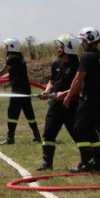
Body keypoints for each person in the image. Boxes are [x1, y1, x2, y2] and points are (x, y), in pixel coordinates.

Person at [61, 27, 100, 173]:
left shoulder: (87, 57)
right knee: (89, 130)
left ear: (89, 41)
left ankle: (87, 163)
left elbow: (78, 79)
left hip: (88, 100)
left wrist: (68, 96)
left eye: (83, 41)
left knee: (79, 130)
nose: (81, 44)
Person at [0, 37, 41, 145]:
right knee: (29, 113)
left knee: (12, 114)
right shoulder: (20, 58)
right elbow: (10, 73)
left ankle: (10, 139)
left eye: (6, 47)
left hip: (17, 91)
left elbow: (2, 71)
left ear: (11, 47)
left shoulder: (12, 59)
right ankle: (37, 136)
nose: (5, 49)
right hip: (25, 90)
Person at [36, 34, 80, 171]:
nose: (58, 48)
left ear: (68, 48)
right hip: (55, 107)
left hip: (71, 106)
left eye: (61, 46)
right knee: (48, 133)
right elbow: (52, 81)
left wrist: (65, 95)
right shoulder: (56, 64)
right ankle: (47, 163)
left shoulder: (77, 66)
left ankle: (89, 159)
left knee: (78, 135)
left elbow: (79, 85)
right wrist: (47, 91)